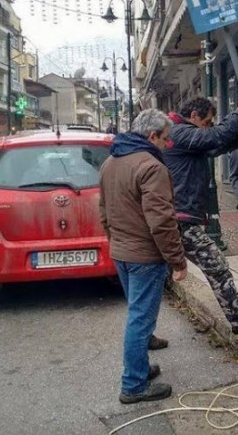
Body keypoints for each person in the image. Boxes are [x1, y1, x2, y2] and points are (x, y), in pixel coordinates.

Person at [165, 93, 238, 336]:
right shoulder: (177, 131)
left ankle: (142, 334)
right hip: (179, 219)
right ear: (193, 116)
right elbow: (213, 137)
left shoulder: (182, 134)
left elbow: (213, 147)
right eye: (206, 122)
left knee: (153, 281)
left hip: (178, 217)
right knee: (217, 266)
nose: (208, 127)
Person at [99, 109, 188, 404]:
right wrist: (177, 260)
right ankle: (133, 385)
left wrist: (117, 243)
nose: (168, 145)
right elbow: (162, 220)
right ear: (152, 136)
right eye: (165, 139)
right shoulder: (151, 166)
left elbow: (104, 212)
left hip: (122, 252)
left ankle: (139, 368)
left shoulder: (111, 162)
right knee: (140, 319)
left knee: (138, 315)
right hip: (144, 257)